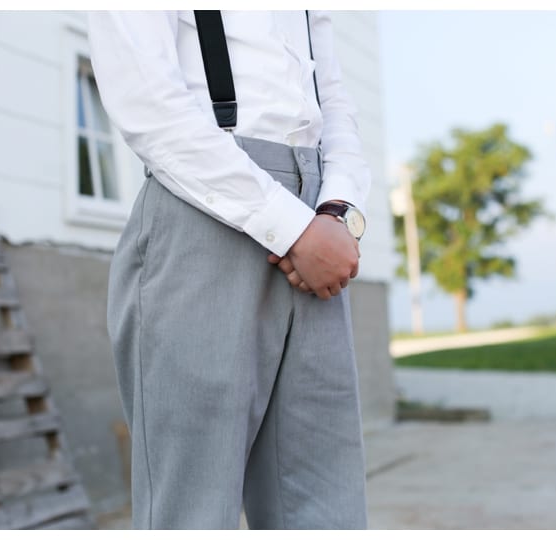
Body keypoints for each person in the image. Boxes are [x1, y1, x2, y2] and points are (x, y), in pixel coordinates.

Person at [87, 11, 371, 530]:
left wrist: (335, 210)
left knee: (326, 505)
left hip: (319, 219)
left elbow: (333, 101)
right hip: (204, 205)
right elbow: (149, 105)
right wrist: (294, 229)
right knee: (193, 508)